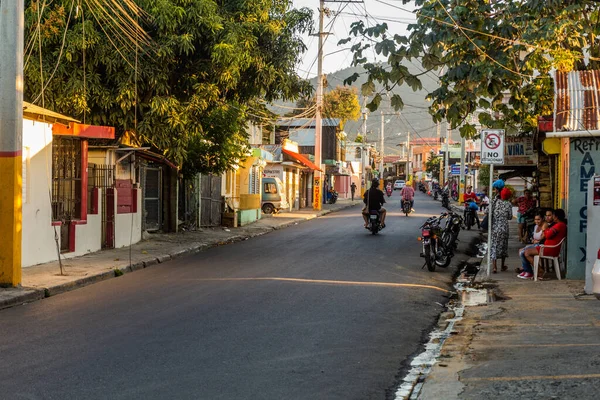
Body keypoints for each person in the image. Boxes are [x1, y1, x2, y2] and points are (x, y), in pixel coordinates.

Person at [519, 209, 567, 280]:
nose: (552, 217)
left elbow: (547, 235)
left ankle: (539, 271)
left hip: (549, 249)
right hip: (547, 247)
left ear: (556, 217)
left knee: (527, 253)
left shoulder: (559, 225)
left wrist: (545, 230)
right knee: (525, 251)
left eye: (552, 215)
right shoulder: (559, 225)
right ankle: (535, 271)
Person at [490, 187, 513, 273]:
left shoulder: (495, 202)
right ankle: (502, 266)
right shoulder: (509, 204)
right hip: (504, 228)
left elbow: (488, 211)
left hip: (495, 227)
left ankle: (494, 267)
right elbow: (510, 217)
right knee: (503, 246)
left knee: (494, 246)